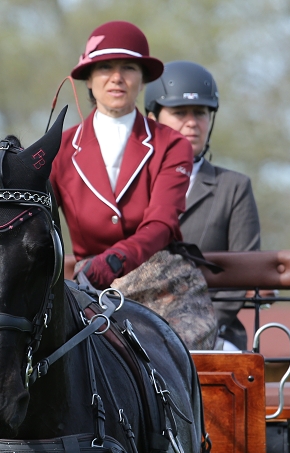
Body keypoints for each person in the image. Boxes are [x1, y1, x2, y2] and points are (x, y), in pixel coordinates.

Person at [50, 20, 193, 290]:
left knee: (187, 333)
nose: (117, 78)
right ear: (89, 79)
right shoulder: (60, 148)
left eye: (128, 68)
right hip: (89, 279)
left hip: (161, 277)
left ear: (143, 80)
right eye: (105, 67)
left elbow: (162, 222)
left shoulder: (172, 144)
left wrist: (115, 261)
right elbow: (36, 219)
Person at [145, 61, 261, 350]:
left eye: (200, 113)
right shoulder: (127, 186)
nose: (192, 122)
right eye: (179, 113)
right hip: (138, 328)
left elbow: (241, 276)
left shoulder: (234, 188)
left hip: (214, 334)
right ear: (153, 118)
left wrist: (195, 329)